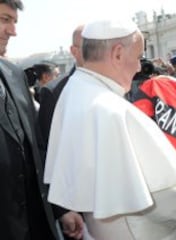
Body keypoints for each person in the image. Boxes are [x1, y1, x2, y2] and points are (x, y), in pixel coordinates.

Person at [44, 18, 176, 240]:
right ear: (117, 54)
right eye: (137, 57)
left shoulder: (73, 92)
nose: (138, 67)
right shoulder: (118, 113)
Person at [0, 0, 59, 239]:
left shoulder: (15, 74)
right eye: (5, 20)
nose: (13, 31)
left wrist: (60, 210)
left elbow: (37, 148)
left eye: (14, 22)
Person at [38, 25, 85, 240]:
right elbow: (48, 154)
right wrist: (62, 209)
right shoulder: (53, 92)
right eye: (89, 46)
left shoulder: (120, 85)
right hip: (78, 209)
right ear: (74, 51)